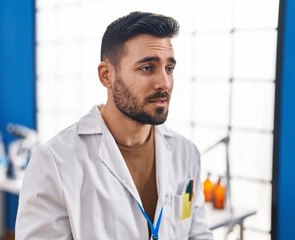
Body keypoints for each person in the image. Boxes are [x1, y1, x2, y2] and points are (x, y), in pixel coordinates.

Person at [16, 11, 213, 240]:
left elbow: (198, 234)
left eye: (169, 69)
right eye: (147, 68)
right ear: (107, 75)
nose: (164, 83)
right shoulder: (55, 162)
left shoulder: (186, 153)